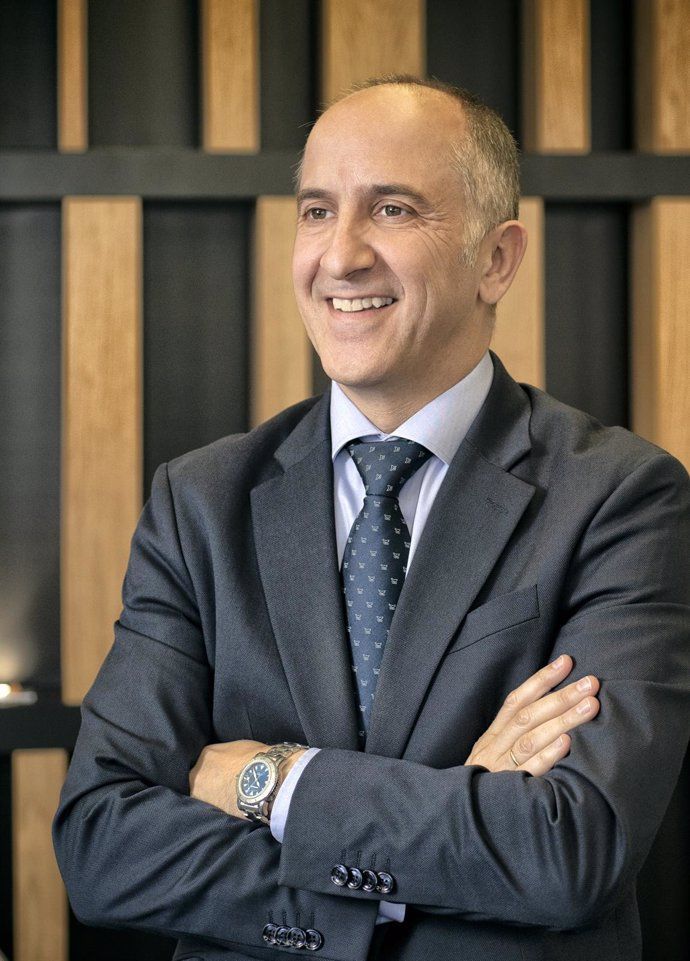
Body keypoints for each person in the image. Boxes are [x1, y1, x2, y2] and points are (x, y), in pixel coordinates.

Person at [53, 77, 690, 961]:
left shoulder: (621, 496)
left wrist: (274, 780)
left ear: (496, 259)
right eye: (317, 211)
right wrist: (428, 851)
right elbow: (102, 844)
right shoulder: (199, 502)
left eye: (392, 209)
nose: (341, 256)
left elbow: (569, 848)